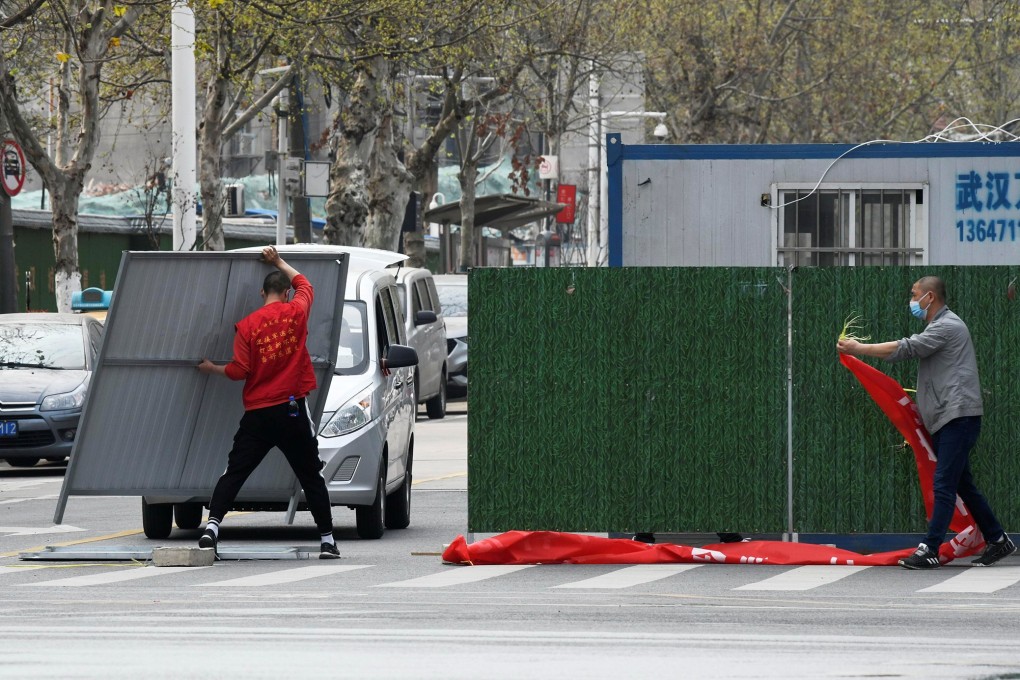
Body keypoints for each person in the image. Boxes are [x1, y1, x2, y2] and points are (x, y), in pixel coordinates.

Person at [837, 276, 1015, 569]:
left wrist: (859, 349)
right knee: (963, 484)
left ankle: (929, 549)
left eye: (914, 294)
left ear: (929, 297)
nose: (912, 300)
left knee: (944, 482)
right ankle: (998, 539)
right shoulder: (939, 326)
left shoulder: (948, 327)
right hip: (950, 417)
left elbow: (907, 348)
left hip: (958, 416)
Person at [197, 246, 339, 559]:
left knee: (234, 473)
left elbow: (239, 371)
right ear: (286, 294)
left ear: (262, 293)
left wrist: (211, 368)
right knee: (309, 475)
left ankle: (212, 528)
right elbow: (306, 284)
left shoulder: (247, 326)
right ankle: (328, 541)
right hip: (291, 411)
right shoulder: (297, 312)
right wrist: (277, 261)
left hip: (258, 415)